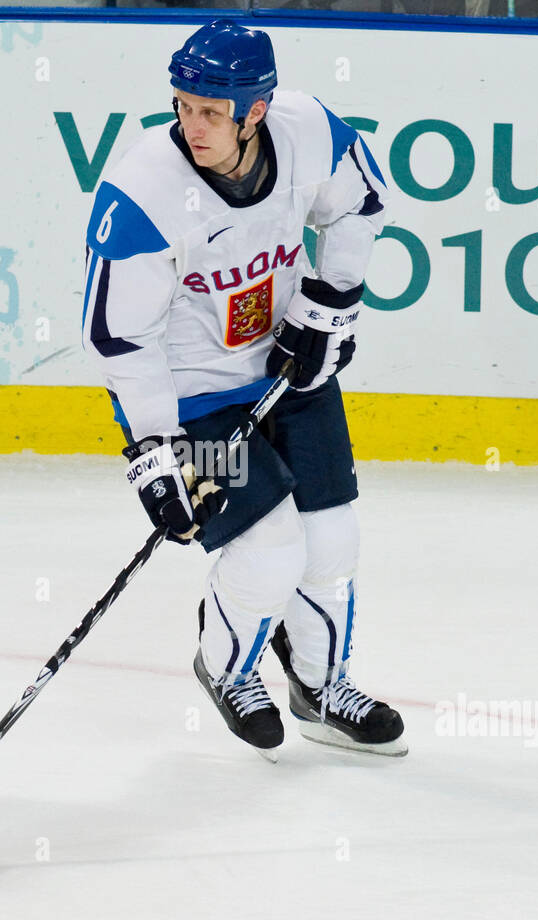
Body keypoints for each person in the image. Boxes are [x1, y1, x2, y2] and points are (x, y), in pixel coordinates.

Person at [81, 20, 406, 760]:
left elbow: (361, 201)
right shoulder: (143, 193)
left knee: (331, 541)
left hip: (292, 370)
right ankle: (228, 667)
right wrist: (155, 453)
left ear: (254, 111)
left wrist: (328, 301)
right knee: (268, 552)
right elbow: (118, 337)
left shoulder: (306, 129)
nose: (191, 125)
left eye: (209, 111)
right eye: (182, 106)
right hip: (198, 398)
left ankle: (322, 689)